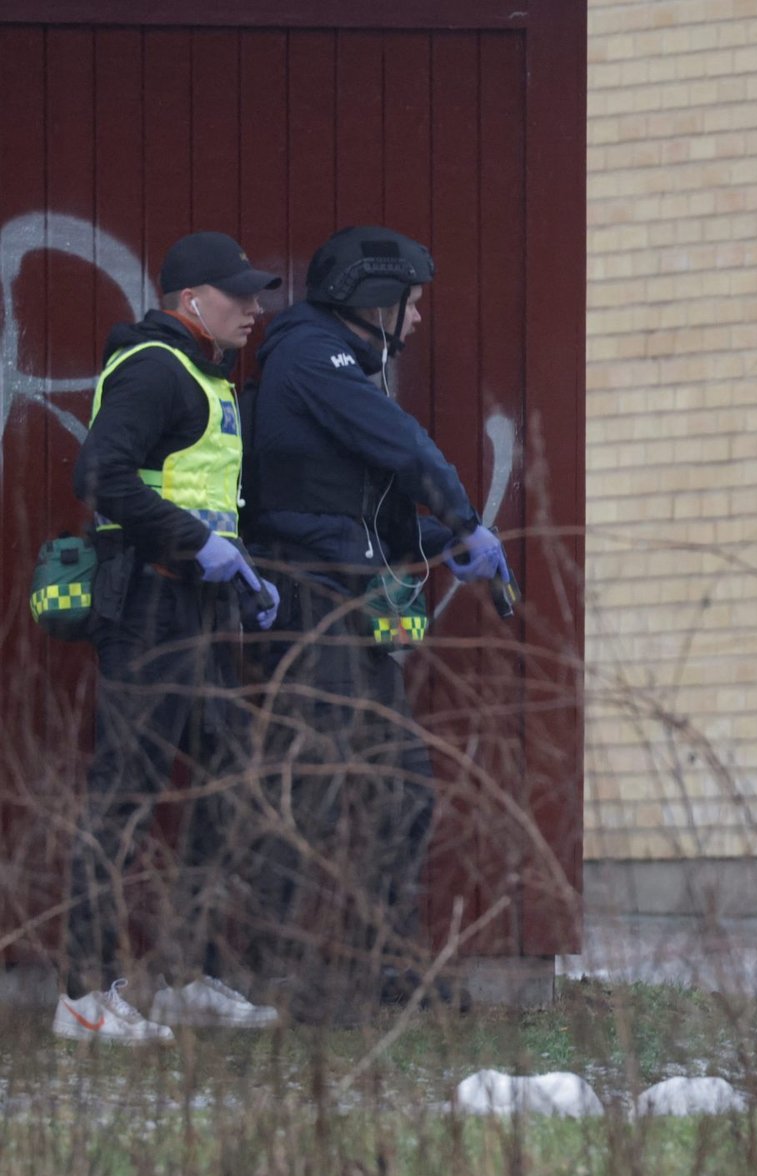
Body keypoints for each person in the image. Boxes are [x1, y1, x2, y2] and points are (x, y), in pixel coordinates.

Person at [243, 225, 507, 1020]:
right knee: (313, 783)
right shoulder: (309, 356)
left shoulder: (344, 369)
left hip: (348, 595)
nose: (419, 319)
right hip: (309, 600)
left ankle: (388, 969)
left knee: (399, 787)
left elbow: (368, 511)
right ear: (373, 302)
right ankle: (254, 970)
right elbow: (402, 449)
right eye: (412, 304)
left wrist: (439, 543)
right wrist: (462, 516)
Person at [58, 232, 284, 1042]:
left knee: (227, 784)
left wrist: (243, 573)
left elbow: (200, 495)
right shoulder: (157, 369)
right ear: (191, 301)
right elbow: (100, 477)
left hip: (199, 609)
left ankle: (192, 974)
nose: (255, 309)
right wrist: (197, 546)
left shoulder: (206, 377)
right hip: (149, 607)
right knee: (123, 796)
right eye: (240, 295)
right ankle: (83, 999)